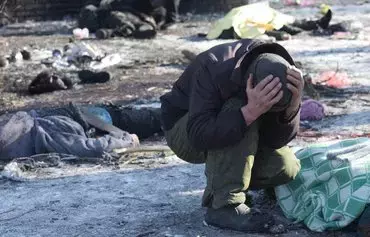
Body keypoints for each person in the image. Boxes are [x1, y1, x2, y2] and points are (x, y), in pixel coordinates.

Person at [160, 39, 304, 233]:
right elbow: (198, 135)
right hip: (184, 129)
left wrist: (293, 106)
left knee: (285, 168)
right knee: (236, 109)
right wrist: (250, 112)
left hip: (230, 130)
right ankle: (224, 205)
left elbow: (276, 140)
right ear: (250, 81)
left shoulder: (282, 71)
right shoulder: (212, 66)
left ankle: (233, 178)